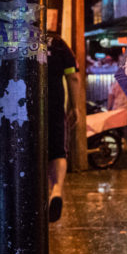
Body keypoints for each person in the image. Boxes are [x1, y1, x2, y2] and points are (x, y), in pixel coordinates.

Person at [47, 35, 80, 223]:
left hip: (22, 108)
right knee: (58, 151)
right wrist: (75, 107)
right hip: (53, 106)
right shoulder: (57, 43)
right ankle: (57, 189)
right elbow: (73, 76)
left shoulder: (18, 38)